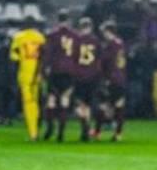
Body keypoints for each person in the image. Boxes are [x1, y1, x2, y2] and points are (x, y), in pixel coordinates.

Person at [41, 9, 79, 142]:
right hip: (69, 71)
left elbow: (48, 54)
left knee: (51, 99)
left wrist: (44, 69)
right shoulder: (75, 36)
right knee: (65, 100)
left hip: (56, 71)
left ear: (58, 20)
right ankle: (61, 133)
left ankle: (50, 128)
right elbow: (77, 55)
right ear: (68, 20)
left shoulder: (52, 35)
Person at [9, 16, 46, 141]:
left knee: (28, 103)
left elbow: (14, 57)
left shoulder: (19, 37)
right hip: (37, 74)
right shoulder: (40, 37)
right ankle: (37, 126)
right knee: (36, 102)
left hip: (25, 74)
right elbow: (44, 56)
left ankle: (33, 132)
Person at [93, 19, 127, 142]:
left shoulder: (110, 46)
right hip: (121, 78)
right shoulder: (120, 43)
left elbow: (105, 62)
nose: (103, 34)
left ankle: (97, 132)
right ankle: (118, 134)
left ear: (109, 31)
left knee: (103, 106)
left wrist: (104, 77)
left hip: (111, 79)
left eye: (104, 32)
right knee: (119, 105)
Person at [72, 16, 102, 142]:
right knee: (88, 104)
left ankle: (84, 123)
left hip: (79, 76)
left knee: (78, 103)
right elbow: (99, 59)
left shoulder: (76, 40)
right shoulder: (96, 41)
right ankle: (87, 125)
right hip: (92, 76)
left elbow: (73, 58)